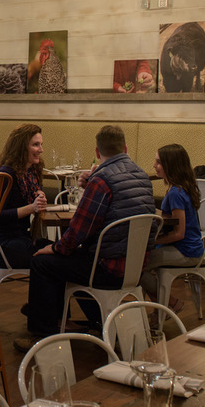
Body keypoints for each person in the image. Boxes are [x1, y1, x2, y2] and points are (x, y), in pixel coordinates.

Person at [17, 125, 156, 352]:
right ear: (126, 148)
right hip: (136, 266)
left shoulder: (101, 180)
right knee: (71, 257)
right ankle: (90, 321)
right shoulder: (141, 175)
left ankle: (43, 336)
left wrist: (56, 248)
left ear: (97, 152)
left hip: (108, 268)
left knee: (44, 262)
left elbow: (78, 232)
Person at [139, 143, 204, 309]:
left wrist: (153, 242)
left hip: (186, 251)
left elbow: (179, 233)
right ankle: (161, 308)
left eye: (158, 162)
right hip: (191, 248)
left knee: (137, 264)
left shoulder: (175, 193)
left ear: (171, 165)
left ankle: (169, 304)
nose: (154, 165)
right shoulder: (182, 188)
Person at [0, 123, 51, 269]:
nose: (41, 150)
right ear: (22, 147)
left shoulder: (31, 172)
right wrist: (32, 207)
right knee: (55, 258)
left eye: (41, 144)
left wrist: (39, 195)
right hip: (4, 246)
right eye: (36, 145)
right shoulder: (7, 174)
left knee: (61, 249)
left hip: (22, 237)